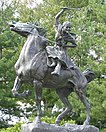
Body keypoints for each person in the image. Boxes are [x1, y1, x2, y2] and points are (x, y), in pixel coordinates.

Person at [46, 7, 77, 76]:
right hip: (56, 47)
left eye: (69, 28)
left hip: (62, 50)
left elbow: (75, 45)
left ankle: (57, 69)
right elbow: (56, 18)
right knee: (48, 48)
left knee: (61, 55)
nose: (68, 29)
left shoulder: (69, 36)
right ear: (63, 26)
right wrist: (63, 11)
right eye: (67, 27)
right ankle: (53, 62)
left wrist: (66, 46)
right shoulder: (59, 28)